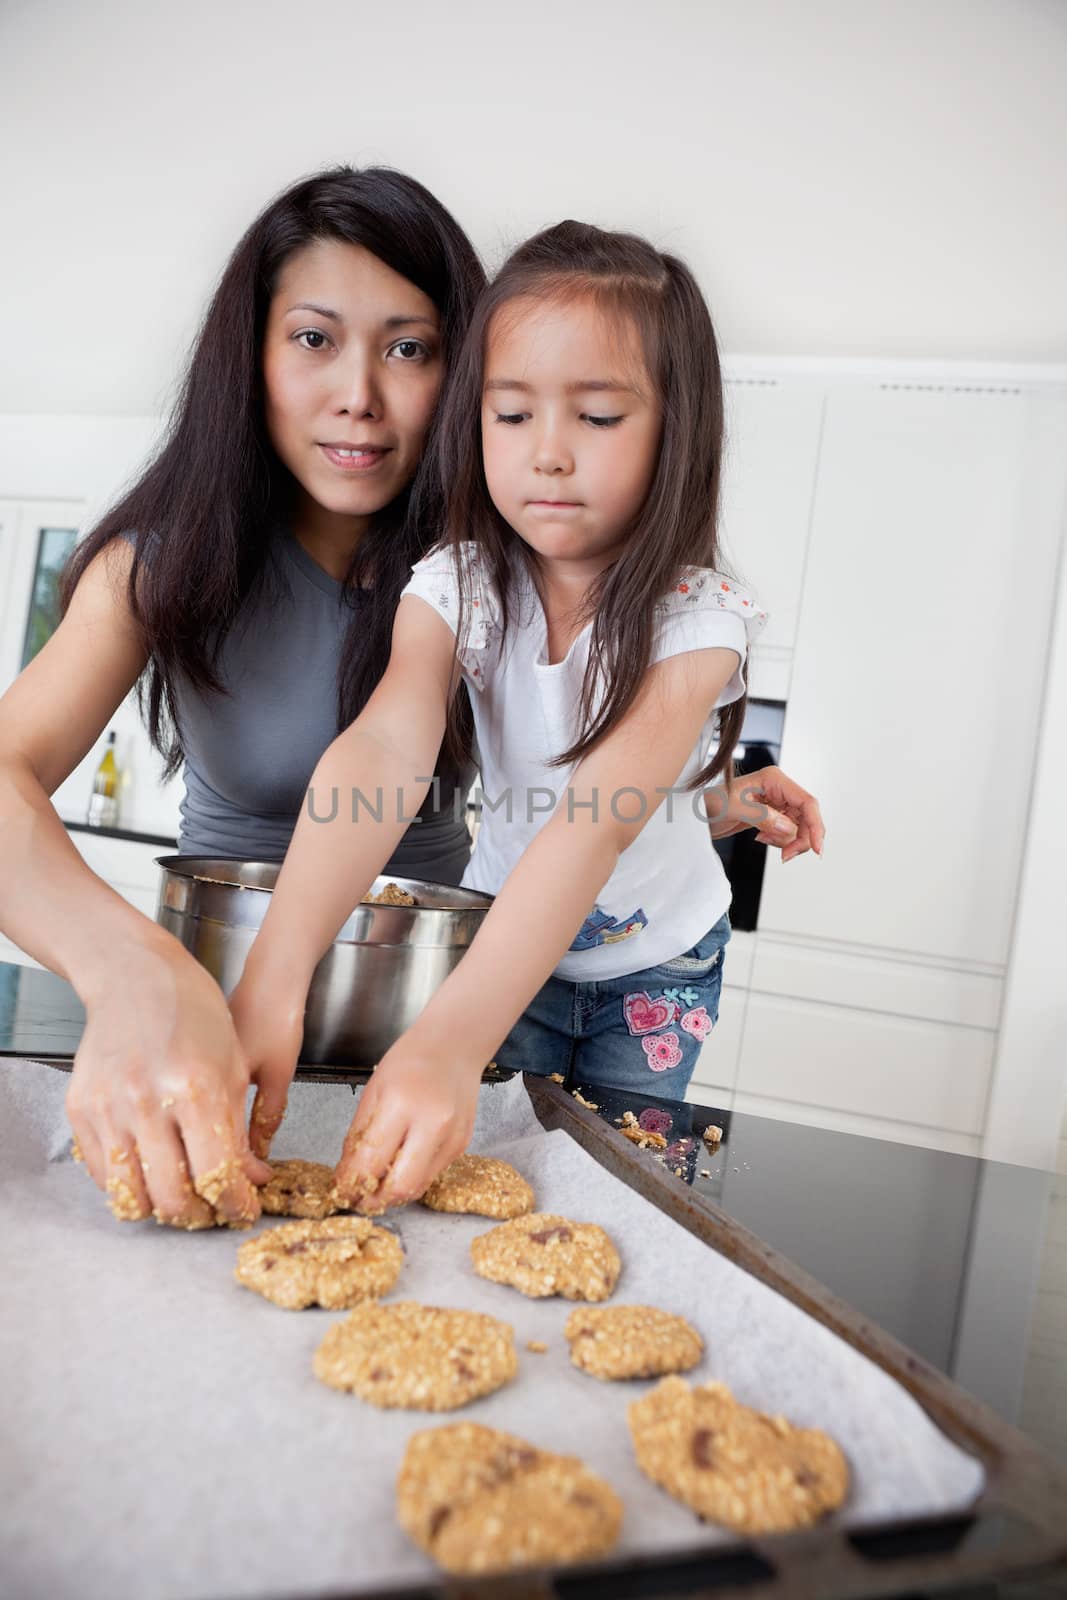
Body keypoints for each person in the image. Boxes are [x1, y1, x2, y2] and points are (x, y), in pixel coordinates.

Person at [229, 220, 825, 1210]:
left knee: (624, 1191)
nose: (546, 455)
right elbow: (383, 748)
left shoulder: (699, 617)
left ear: (676, 429)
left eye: (595, 417)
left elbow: (599, 815)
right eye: (510, 415)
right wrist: (276, 971)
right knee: (480, 1180)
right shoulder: (457, 586)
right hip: (504, 950)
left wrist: (446, 1041)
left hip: (657, 967)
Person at [0, 166, 486, 1226]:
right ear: (251, 358)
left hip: (430, 1061)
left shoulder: (486, 578)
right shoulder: (155, 566)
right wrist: (130, 969)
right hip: (201, 1037)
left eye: (408, 348)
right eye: (313, 338)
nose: (358, 392)